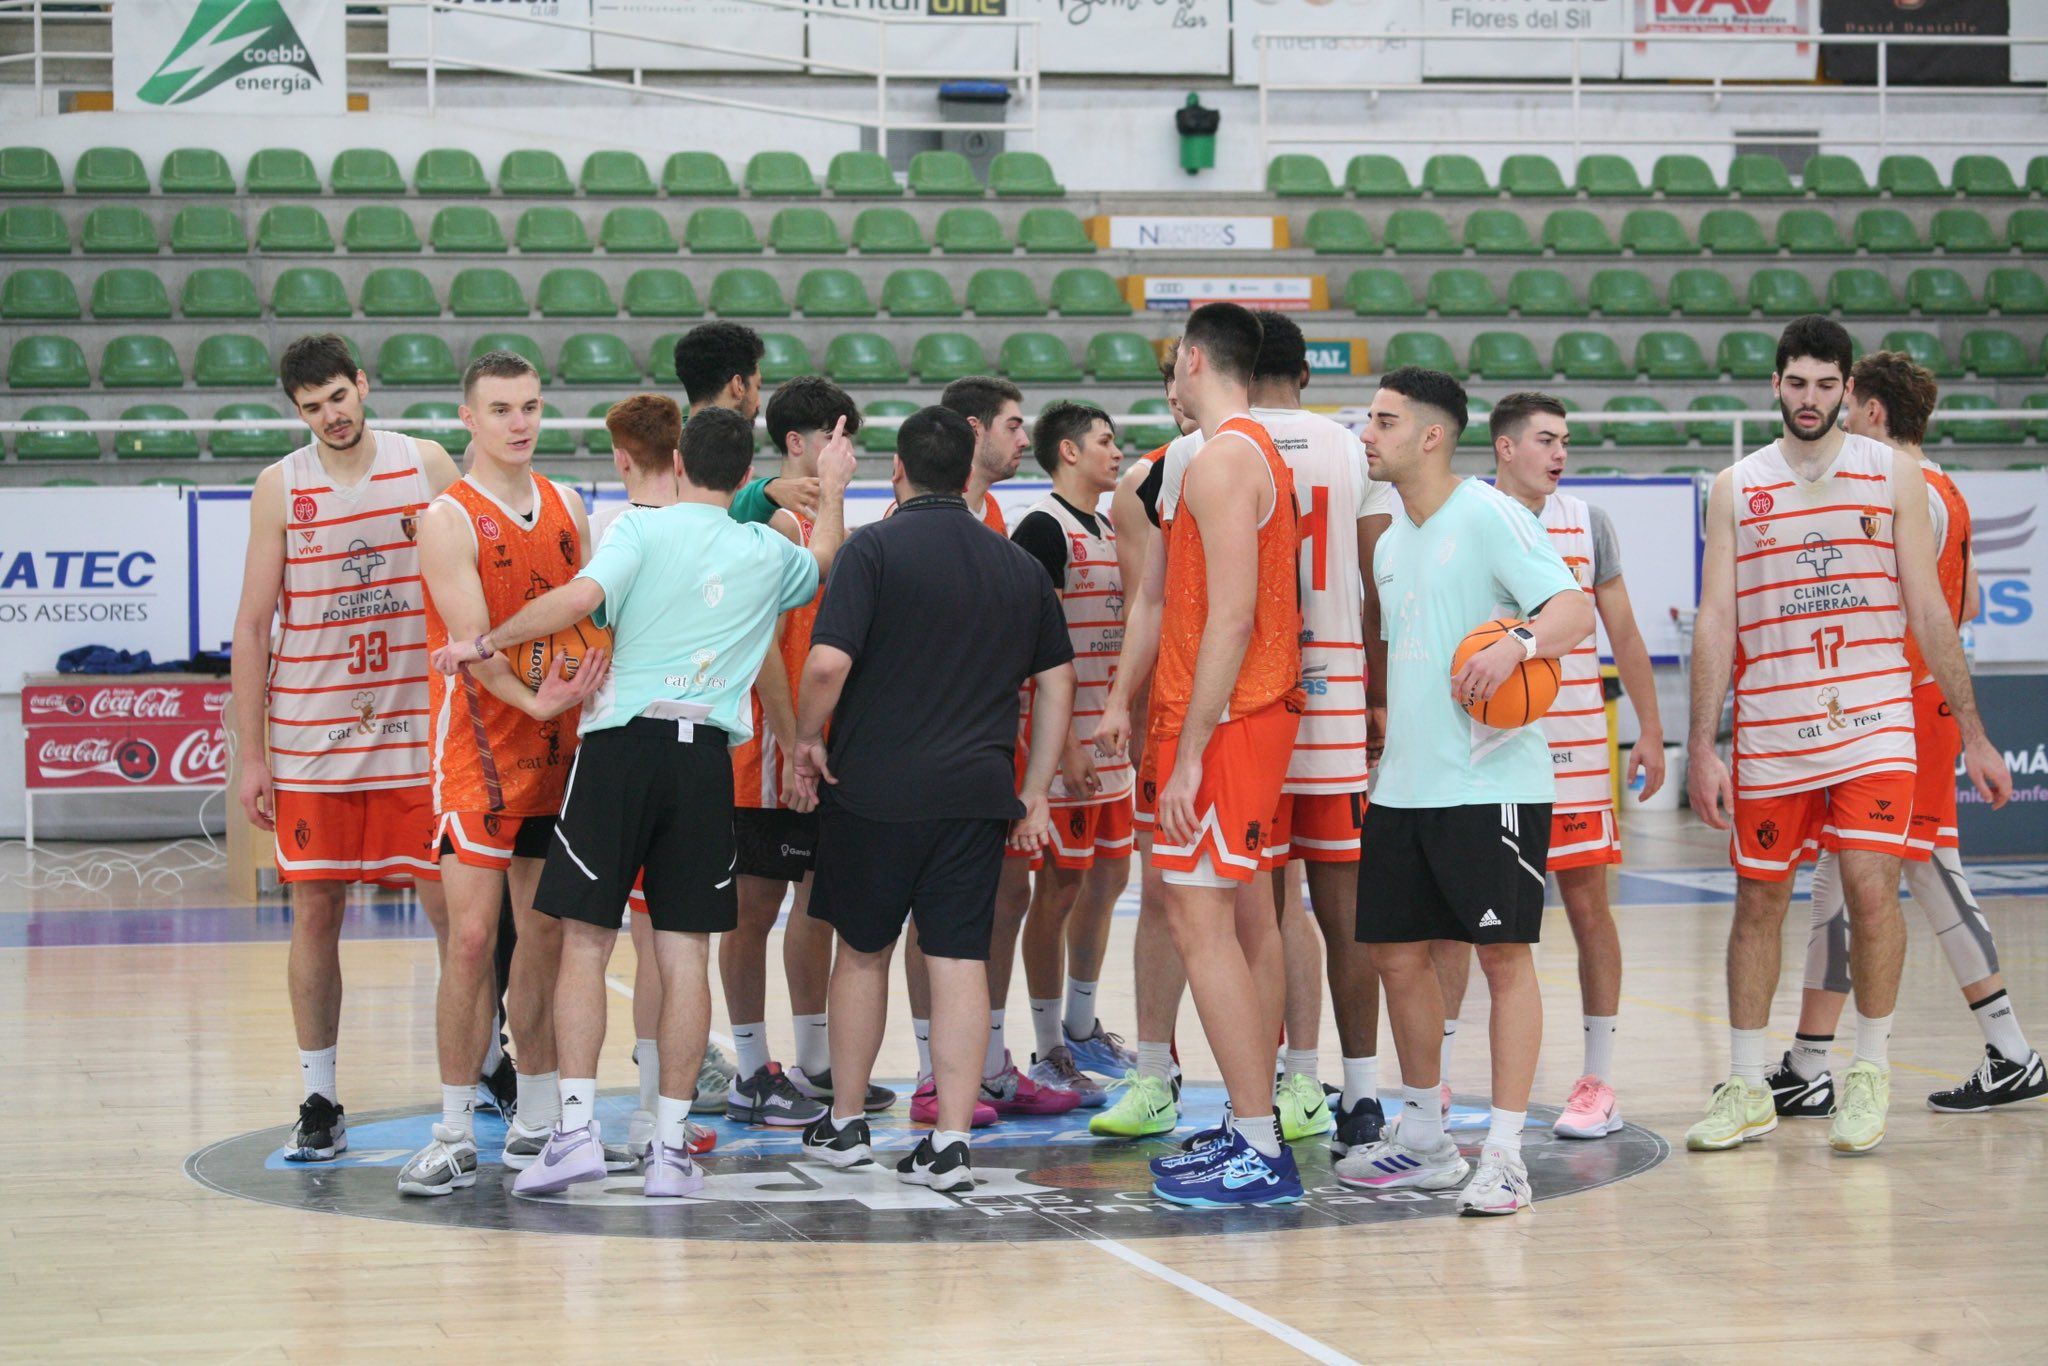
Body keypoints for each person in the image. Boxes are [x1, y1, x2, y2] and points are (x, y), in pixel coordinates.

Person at [432, 403, 854, 1197]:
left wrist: (484, 642)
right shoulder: (769, 546)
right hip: (706, 765)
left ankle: (577, 1133)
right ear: (740, 479)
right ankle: (666, 1148)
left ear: (683, 463)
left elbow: (573, 600)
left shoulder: (639, 529)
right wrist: (831, 484)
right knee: (684, 951)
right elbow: (825, 555)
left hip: (622, 750)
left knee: (586, 944)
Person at [1685, 316, 2012, 1158]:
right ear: (1776, 385)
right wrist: (1702, 743)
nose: (1810, 399)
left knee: (1872, 891)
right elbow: (1717, 619)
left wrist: (1973, 733)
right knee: (1759, 903)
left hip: (1874, 724)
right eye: (1796, 383)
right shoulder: (1736, 487)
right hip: (1772, 730)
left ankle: (1866, 1072)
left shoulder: (1894, 478)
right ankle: (1748, 1083)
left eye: (1826, 386)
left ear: (1848, 392)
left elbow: (1935, 611)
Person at [791, 406, 1076, 1191]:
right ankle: (952, 1142)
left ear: (899, 474)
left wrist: (807, 737)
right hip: (976, 796)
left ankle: (847, 1122)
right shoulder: (1015, 565)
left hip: (874, 790)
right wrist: (1035, 789)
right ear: (966, 472)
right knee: (957, 960)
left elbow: (824, 666)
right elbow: (1057, 684)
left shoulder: (873, 549)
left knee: (863, 953)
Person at [1334, 366, 1592, 1217]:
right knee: (1397, 958)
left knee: (1503, 963)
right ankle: (1426, 1139)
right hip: (1403, 788)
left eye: (1383, 421)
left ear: (1432, 435)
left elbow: (1570, 609)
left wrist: (1517, 642)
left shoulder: (1488, 514)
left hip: (1492, 785)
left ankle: (1509, 1156)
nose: (1367, 435)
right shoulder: (1387, 539)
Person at [1783, 352, 2045, 1115]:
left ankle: (2005, 1049)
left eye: (1847, 397)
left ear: (1870, 411)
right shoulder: (1945, 489)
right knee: (1881, 874)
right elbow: (1962, 611)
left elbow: (1929, 619)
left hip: (1900, 709)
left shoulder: (1906, 495)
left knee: (1912, 871)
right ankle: (1813, 1063)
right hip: (1902, 707)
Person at [1097, 301, 1307, 1209]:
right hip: (1234, 719)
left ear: (1190, 360)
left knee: (1198, 922)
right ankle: (1251, 1126)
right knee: (1209, 919)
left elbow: (1231, 616)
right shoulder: (1247, 451)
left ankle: (1259, 1142)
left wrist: (1186, 756)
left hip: (1226, 725)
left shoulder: (1226, 459)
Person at [231, 333, 460, 1162]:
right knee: (316, 914)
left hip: (415, 736)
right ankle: (320, 1095)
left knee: (457, 917)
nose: (330, 416)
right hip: (311, 741)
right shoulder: (278, 487)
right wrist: (252, 757)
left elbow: (476, 577)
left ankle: (482, 1070)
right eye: (311, 407)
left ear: (363, 385)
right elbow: (253, 629)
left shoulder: (426, 463)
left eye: (338, 397)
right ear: (297, 413)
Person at [397, 351, 611, 1197]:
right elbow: (472, 649)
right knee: (475, 940)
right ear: (468, 420)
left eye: (529, 406)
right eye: (500, 409)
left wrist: (579, 695)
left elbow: (590, 615)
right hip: (478, 755)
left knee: (547, 937)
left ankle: (534, 1119)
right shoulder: (446, 518)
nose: (519, 422)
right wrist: (544, 699)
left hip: (560, 753)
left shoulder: (569, 504)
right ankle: (453, 1129)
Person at [1431, 392, 1667, 1142]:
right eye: (1544, 439)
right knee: (1459, 926)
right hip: (1487, 757)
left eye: (1564, 439)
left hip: (1573, 757)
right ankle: (1431, 1078)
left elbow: (1623, 634)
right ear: (1504, 448)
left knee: (1590, 909)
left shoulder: (1588, 522)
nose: (1559, 453)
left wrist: (1650, 735)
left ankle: (1598, 1078)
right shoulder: (1462, 515)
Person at [899, 375, 1073, 1125]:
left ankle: (991, 1062)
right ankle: (931, 1070)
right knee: (928, 912)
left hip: (998, 740)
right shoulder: (908, 521)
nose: (1022, 438)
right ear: (970, 430)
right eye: (1011, 424)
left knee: (1007, 898)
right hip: (924, 750)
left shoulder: (999, 516)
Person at [1242, 312, 1395, 1154]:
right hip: (1335, 699)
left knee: (1260, 917)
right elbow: (1377, 580)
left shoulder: (1212, 445)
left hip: (1252, 699)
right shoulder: (1347, 445)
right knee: (1346, 916)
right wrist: (1375, 690)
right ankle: (1360, 1096)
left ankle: (1273, 1092)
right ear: (1303, 375)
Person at [723, 377, 891, 1124]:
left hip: (824, 746)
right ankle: (752, 1068)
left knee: (817, 904)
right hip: (767, 743)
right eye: (835, 436)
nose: (847, 451)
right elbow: (759, 638)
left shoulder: (837, 521)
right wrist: (791, 739)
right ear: (798, 445)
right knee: (753, 907)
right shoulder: (778, 524)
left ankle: (816, 1059)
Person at [1009, 401, 1134, 1106]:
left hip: (1108, 744)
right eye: (1105, 441)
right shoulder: (1041, 528)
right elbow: (1037, 648)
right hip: (1065, 748)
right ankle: (1049, 1042)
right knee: (1055, 891)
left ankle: (1083, 1025)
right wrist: (1057, 754)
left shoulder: (1113, 525)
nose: (1116, 452)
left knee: (1109, 879)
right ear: (1067, 452)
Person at [1090, 346, 1197, 1141]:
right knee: (1164, 894)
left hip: (1274, 704)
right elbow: (1145, 605)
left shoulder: (1293, 458)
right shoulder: (1147, 483)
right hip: (1179, 712)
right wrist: (1124, 702)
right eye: (1172, 383)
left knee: (1270, 904)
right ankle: (1156, 1072)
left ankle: (1291, 1075)